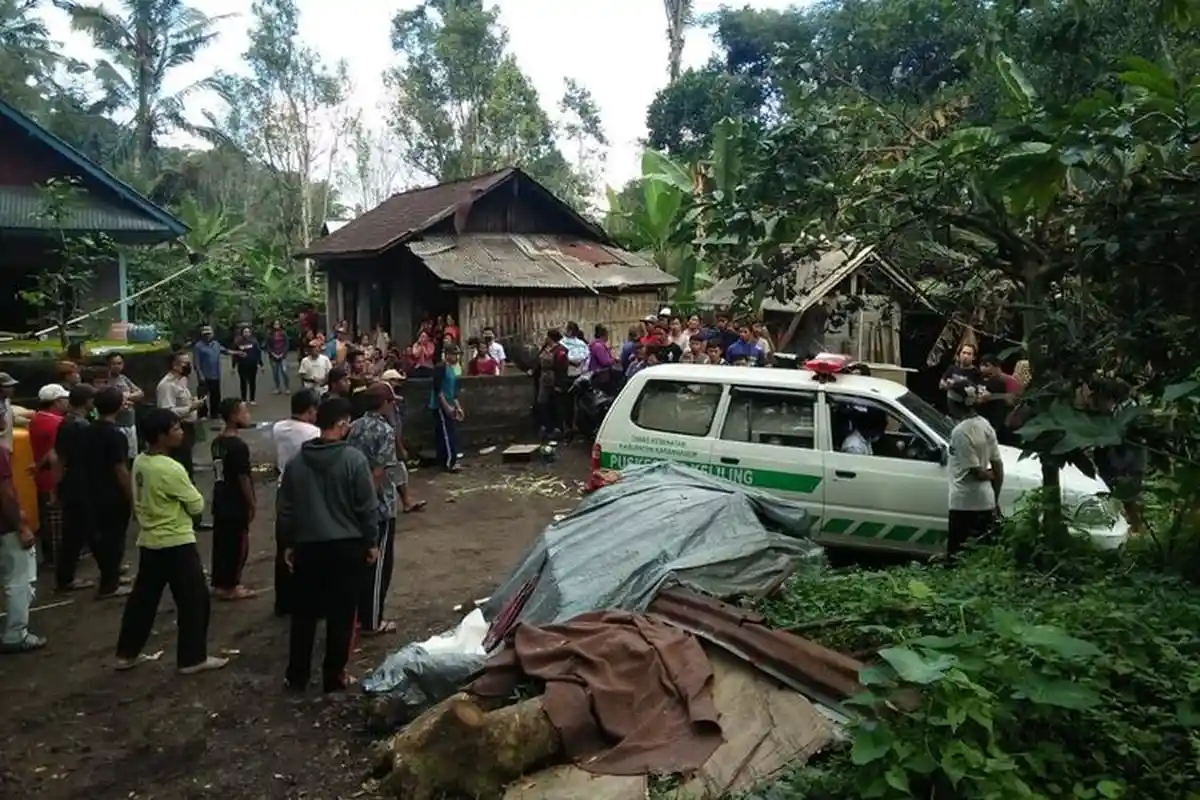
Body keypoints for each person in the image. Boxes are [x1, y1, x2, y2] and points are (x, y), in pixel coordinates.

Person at [115, 409, 228, 674]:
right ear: (161, 436)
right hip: (175, 540)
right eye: (175, 428)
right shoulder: (170, 468)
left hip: (150, 539)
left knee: (143, 599)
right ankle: (192, 658)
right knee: (194, 600)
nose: (180, 432)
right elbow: (197, 504)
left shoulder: (142, 462)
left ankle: (126, 653)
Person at [278, 396, 379, 692]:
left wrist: (288, 543)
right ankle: (333, 676)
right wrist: (371, 541)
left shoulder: (297, 462)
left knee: (304, 615)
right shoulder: (353, 460)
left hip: (308, 547)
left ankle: (296, 675)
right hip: (346, 547)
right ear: (343, 424)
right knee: (342, 615)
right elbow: (366, 507)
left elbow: (286, 509)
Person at [346, 383, 401, 636]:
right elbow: (379, 470)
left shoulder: (354, 426)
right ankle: (372, 621)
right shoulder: (385, 431)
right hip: (378, 504)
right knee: (380, 564)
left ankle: (358, 614)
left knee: (360, 561)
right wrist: (369, 499)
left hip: (353, 500)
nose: (394, 407)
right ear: (384, 404)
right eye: (391, 402)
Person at [271, 389, 321, 617]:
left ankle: (284, 601)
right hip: (306, 489)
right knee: (308, 544)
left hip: (284, 488)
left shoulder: (279, 428)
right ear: (311, 410)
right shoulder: (313, 433)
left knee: (284, 544)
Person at [946, 384, 1004, 559]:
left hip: (964, 504)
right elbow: (998, 466)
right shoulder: (985, 425)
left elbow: (976, 472)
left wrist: (987, 475)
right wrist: (994, 498)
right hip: (985, 501)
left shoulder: (960, 432)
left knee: (957, 556)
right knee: (981, 557)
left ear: (953, 403)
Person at [0, 430, 42, 653]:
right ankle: (16, 634)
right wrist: (21, 526)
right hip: (5, 528)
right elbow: (5, 494)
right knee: (19, 580)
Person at [90, 387, 134, 599]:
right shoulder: (115, 435)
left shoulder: (88, 429)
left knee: (105, 537)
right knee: (114, 538)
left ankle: (112, 575)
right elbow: (121, 469)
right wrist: (132, 496)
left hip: (93, 489)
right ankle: (110, 584)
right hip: (112, 493)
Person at [157, 351, 208, 531]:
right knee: (183, 470)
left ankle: (194, 516)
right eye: (183, 363)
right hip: (178, 429)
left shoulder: (182, 381)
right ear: (173, 365)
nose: (187, 366)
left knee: (188, 468)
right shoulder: (166, 385)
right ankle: (191, 517)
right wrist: (190, 407)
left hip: (188, 427)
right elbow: (166, 411)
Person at [210, 398, 256, 601]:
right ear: (233, 416)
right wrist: (252, 503)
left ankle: (220, 582)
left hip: (220, 497)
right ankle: (232, 584)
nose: (248, 416)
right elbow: (243, 477)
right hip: (235, 500)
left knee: (221, 543)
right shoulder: (238, 446)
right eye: (244, 412)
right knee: (237, 545)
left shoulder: (218, 442)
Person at [54, 384, 98, 594]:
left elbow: (59, 458)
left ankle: (108, 567)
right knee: (77, 532)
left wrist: (56, 486)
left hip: (72, 482)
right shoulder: (81, 426)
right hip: (82, 484)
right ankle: (66, 578)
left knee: (84, 530)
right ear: (87, 401)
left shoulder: (66, 423)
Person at [29, 384, 68, 568]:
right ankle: (57, 559)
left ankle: (51, 557)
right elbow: (54, 453)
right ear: (57, 401)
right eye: (64, 399)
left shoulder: (36, 418)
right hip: (52, 475)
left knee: (47, 519)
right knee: (56, 520)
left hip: (41, 476)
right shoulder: (56, 422)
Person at [381, 369, 425, 514]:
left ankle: (406, 502)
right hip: (388, 445)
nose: (399, 384)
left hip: (389, 444)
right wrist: (400, 447)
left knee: (399, 473)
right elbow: (393, 429)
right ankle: (404, 503)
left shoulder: (390, 401)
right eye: (396, 381)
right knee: (393, 473)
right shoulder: (387, 404)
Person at [430, 343, 464, 471]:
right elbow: (438, 390)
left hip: (449, 404)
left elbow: (452, 392)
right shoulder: (441, 367)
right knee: (446, 434)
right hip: (440, 406)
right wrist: (446, 407)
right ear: (448, 355)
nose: (456, 358)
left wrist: (458, 407)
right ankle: (450, 462)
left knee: (449, 432)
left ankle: (447, 460)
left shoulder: (452, 369)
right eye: (455, 355)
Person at [106, 353, 143, 460]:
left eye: (119, 363)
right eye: (113, 364)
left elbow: (140, 393)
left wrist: (126, 397)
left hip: (130, 423)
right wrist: (125, 398)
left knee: (132, 456)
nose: (117, 366)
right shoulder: (106, 381)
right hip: (117, 425)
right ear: (108, 365)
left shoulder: (123, 378)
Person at [533, 330, 569, 439]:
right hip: (544, 379)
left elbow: (562, 369)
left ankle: (558, 429)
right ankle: (547, 426)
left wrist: (560, 384)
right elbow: (538, 361)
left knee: (556, 405)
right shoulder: (545, 348)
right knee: (542, 403)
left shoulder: (560, 350)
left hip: (554, 379)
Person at [193, 326, 230, 420]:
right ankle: (203, 414)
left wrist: (238, 353)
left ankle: (215, 413)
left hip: (215, 374)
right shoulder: (198, 346)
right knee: (203, 395)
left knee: (216, 395)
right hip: (205, 375)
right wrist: (200, 375)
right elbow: (196, 362)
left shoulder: (216, 344)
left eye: (209, 334)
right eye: (205, 334)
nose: (207, 336)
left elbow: (225, 351)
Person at [230, 326, 263, 405]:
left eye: (248, 332)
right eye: (245, 332)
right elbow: (234, 355)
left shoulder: (254, 341)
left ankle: (252, 399)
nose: (246, 333)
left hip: (252, 365)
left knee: (252, 382)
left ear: (250, 333)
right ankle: (243, 399)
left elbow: (258, 353)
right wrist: (233, 367)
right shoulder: (237, 342)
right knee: (243, 382)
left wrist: (261, 364)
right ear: (242, 333)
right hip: (242, 365)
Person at [0, 372, 17, 453]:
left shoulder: (6, 401)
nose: (12, 389)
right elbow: (2, 426)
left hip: (7, 448)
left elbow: (12, 418)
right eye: (8, 386)